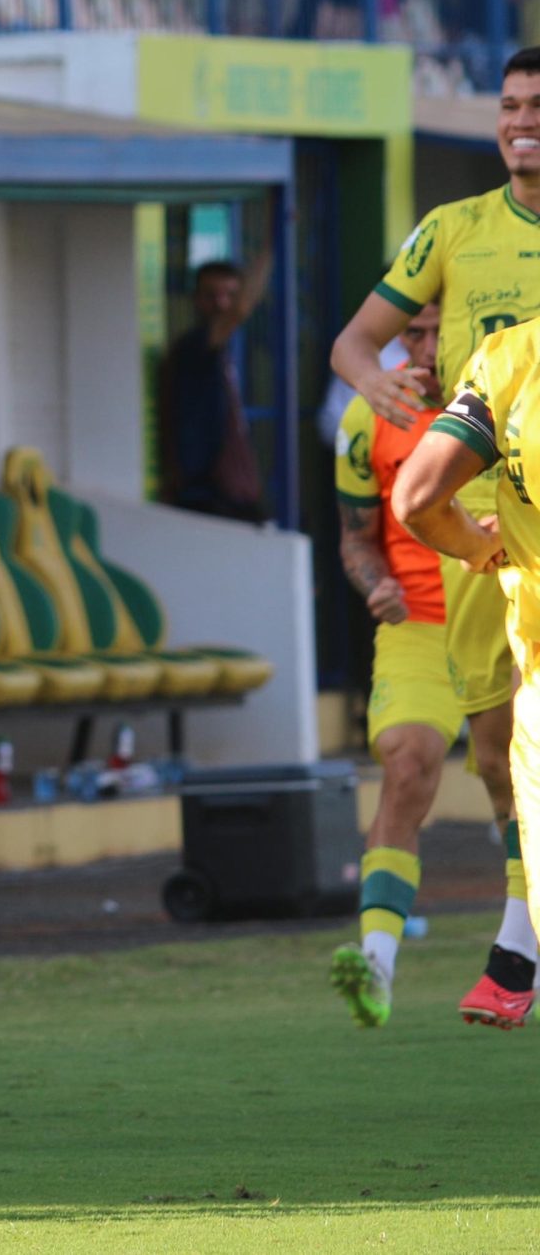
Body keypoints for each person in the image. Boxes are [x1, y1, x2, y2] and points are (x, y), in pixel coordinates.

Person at [332, 44, 540, 1030]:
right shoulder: (453, 232)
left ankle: (515, 952)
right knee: (497, 755)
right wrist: (381, 391)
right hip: (481, 530)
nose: (517, 119)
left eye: (533, 104)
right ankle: (515, 936)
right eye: (506, 104)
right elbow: (352, 343)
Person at [327, 298, 452, 1026]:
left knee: (511, 781)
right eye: (414, 332)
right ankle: (375, 966)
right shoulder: (366, 416)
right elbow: (356, 535)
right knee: (406, 766)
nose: (430, 345)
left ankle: (515, 951)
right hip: (419, 622)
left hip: (509, 613)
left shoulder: (513, 388)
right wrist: (375, 581)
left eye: (442, 328)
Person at [157, 252, 273, 521]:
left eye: (229, 295)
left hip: (229, 494)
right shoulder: (192, 347)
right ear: (196, 299)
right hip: (205, 496)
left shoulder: (223, 353)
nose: (221, 304)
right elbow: (240, 310)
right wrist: (274, 234)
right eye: (211, 295)